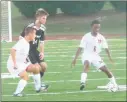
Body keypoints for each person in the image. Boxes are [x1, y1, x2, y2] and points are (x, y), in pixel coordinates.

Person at [71, 20, 118, 90]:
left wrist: (110, 57)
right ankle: (82, 83)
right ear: (91, 27)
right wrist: (75, 59)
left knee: (106, 70)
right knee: (86, 65)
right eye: (95, 27)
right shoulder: (86, 36)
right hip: (87, 54)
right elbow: (80, 48)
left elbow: (106, 48)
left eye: (98, 28)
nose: (97, 29)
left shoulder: (101, 37)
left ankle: (115, 85)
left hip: (96, 56)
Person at [19, 8, 49, 90]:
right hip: (28, 51)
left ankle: (39, 82)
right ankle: (38, 86)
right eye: (43, 18)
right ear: (38, 17)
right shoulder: (30, 27)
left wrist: (42, 52)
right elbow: (20, 37)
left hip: (35, 50)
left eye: (46, 18)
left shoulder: (42, 28)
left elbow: (42, 42)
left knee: (44, 66)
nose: (45, 20)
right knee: (37, 68)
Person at [7, 27, 42, 97]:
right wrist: (14, 64)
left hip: (22, 63)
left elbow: (22, 54)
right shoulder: (22, 42)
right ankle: (17, 93)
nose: (35, 36)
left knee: (36, 68)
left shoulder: (27, 43)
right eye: (34, 34)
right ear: (30, 34)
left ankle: (38, 87)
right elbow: (12, 50)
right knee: (25, 76)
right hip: (14, 64)